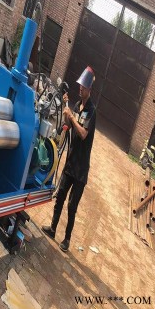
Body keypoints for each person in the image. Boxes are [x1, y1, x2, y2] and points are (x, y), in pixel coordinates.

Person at [42, 66, 96, 252]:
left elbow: (83, 133)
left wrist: (71, 117)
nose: (80, 88)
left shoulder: (91, 111)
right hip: (70, 162)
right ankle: (52, 228)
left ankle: (67, 240)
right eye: (80, 85)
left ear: (89, 89)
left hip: (80, 170)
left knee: (72, 206)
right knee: (60, 198)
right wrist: (67, 113)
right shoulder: (77, 105)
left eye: (84, 87)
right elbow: (68, 125)